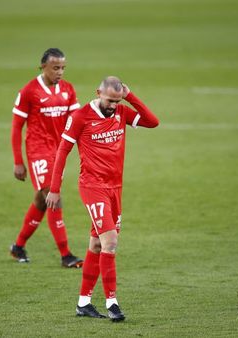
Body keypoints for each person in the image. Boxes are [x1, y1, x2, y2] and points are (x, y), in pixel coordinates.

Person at [46, 76, 159, 321]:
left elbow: (153, 122)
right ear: (98, 92)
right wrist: (54, 188)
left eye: (117, 100)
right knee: (110, 242)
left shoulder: (121, 112)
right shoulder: (80, 117)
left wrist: (130, 96)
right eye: (109, 100)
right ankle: (112, 304)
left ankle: (83, 303)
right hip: (92, 187)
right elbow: (62, 151)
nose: (113, 105)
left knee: (96, 245)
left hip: (115, 189)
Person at [9, 48, 83, 268]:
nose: (60, 72)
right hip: (38, 150)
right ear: (43, 66)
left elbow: (77, 122)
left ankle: (18, 246)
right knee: (53, 196)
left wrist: (85, 150)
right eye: (55, 68)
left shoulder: (68, 89)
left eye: (62, 68)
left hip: (59, 151)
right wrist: (18, 161)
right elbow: (16, 128)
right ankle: (66, 255)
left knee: (41, 201)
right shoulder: (29, 91)